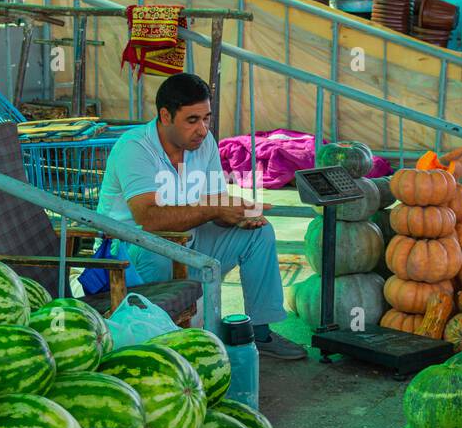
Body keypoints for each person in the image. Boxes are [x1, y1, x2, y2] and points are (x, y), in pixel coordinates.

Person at [96, 73, 306, 360]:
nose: (203, 129)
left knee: (258, 234)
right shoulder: (134, 148)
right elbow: (149, 219)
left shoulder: (204, 144)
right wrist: (216, 209)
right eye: (192, 120)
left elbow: (214, 204)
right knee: (158, 250)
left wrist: (236, 215)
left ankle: (260, 332)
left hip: (186, 243)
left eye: (207, 118)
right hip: (133, 255)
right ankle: (166, 337)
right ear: (165, 116)